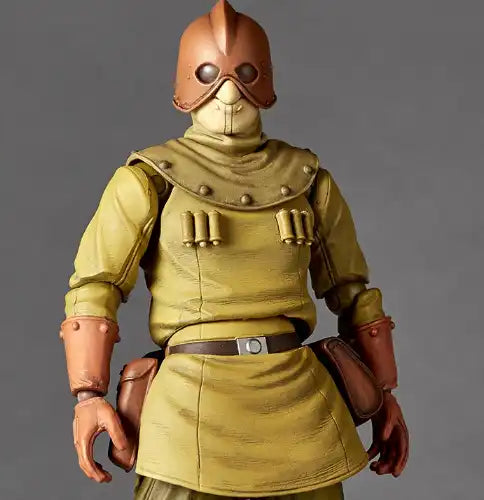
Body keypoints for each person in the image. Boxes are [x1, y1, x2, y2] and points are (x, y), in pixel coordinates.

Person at [60, 1, 409, 499]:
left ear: (264, 80)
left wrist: (385, 392)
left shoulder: (307, 180)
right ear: (187, 81)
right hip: (188, 414)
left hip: (301, 411)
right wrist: (88, 395)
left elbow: (353, 291)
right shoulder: (149, 180)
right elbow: (96, 285)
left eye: (245, 74)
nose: (228, 92)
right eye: (209, 75)